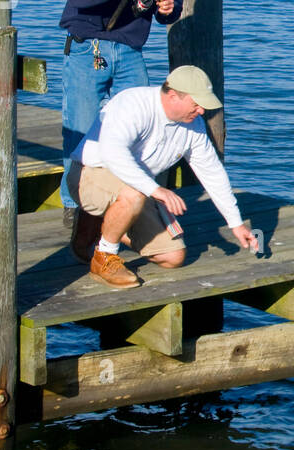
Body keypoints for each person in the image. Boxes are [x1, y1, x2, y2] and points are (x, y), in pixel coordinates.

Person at [67, 65, 259, 288]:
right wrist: (156, 190)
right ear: (173, 95)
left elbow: (212, 172)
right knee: (135, 193)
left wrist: (235, 223)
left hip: (136, 188)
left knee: (173, 258)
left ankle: (105, 221)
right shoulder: (133, 104)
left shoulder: (194, 125)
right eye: (196, 104)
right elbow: (113, 154)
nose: (201, 111)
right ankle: (104, 258)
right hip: (90, 174)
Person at [59, 0, 183, 232]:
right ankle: (75, 211)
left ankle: (133, 202)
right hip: (88, 49)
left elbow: (171, 2)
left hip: (130, 52)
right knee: (81, 131)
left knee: (142, 127)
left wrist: (169, 6)